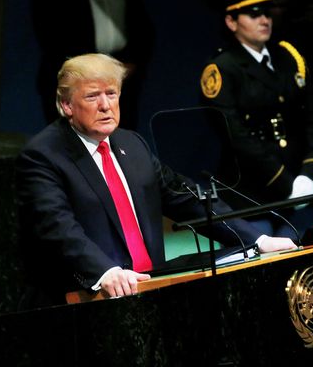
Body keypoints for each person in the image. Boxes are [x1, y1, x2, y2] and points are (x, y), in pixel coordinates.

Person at [15, 53, 296, 308]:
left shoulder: (131, 143)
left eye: (112, 93)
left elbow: (187, 198)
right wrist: (103, 271)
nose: (105, 105)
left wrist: (255, 239)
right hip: (88, 300)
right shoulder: (44, 154)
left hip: (153, 291)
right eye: (92, 97)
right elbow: (58, 227)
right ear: (66, 105)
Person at [199, 0, 313, 238]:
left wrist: (310, 174)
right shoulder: (222, 69)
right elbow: (237, 135)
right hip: (251, 195)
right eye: (253, 14)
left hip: (302, 186)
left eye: (266, 13)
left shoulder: (289, 57)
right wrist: (286, 183)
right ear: (231, 21)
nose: (264, 20)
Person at [31, 0, 154, 130]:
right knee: (75, 151)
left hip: (119, 83)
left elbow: (143, 27)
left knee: (118, 151)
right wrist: (93, 72)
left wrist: (131, 64)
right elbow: (50, 32)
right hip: (74, 84)